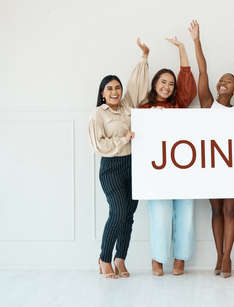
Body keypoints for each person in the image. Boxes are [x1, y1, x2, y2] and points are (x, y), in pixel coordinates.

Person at [89, 38, 149, 278]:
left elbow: (137, 84)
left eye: (117, 88)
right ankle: (104, 258)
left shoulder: (127, 106)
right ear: (102, 94)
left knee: (129, 215)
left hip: (133, 166)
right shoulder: (98, 115)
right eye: (109, 89)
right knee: (119, 211)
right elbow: (98, 145)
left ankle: (120, 259)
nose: (114, 92)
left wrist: (144, 57)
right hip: (112, 167)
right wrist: (123, 140)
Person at [139, 35, 197, 276]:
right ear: (155, 84)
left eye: (171, 84)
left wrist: (183, 48)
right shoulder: (142, 110)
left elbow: (186, 81)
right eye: (163, 82)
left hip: (182, 169)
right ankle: (158, 259)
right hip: (157, 171)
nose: (167, 87)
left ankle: (180, 259)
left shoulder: (179, 106)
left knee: (185, 215)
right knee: (160, 217)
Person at [189, 20, 234, 278]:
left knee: (231, 210)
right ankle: (219, 255)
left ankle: (228, 257)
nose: (222, 82)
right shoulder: (208, 103)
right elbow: (202, 71)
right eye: (221, 80)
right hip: (211, 164)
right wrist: (196, 41)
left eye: (228, 81)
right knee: (216, 210)